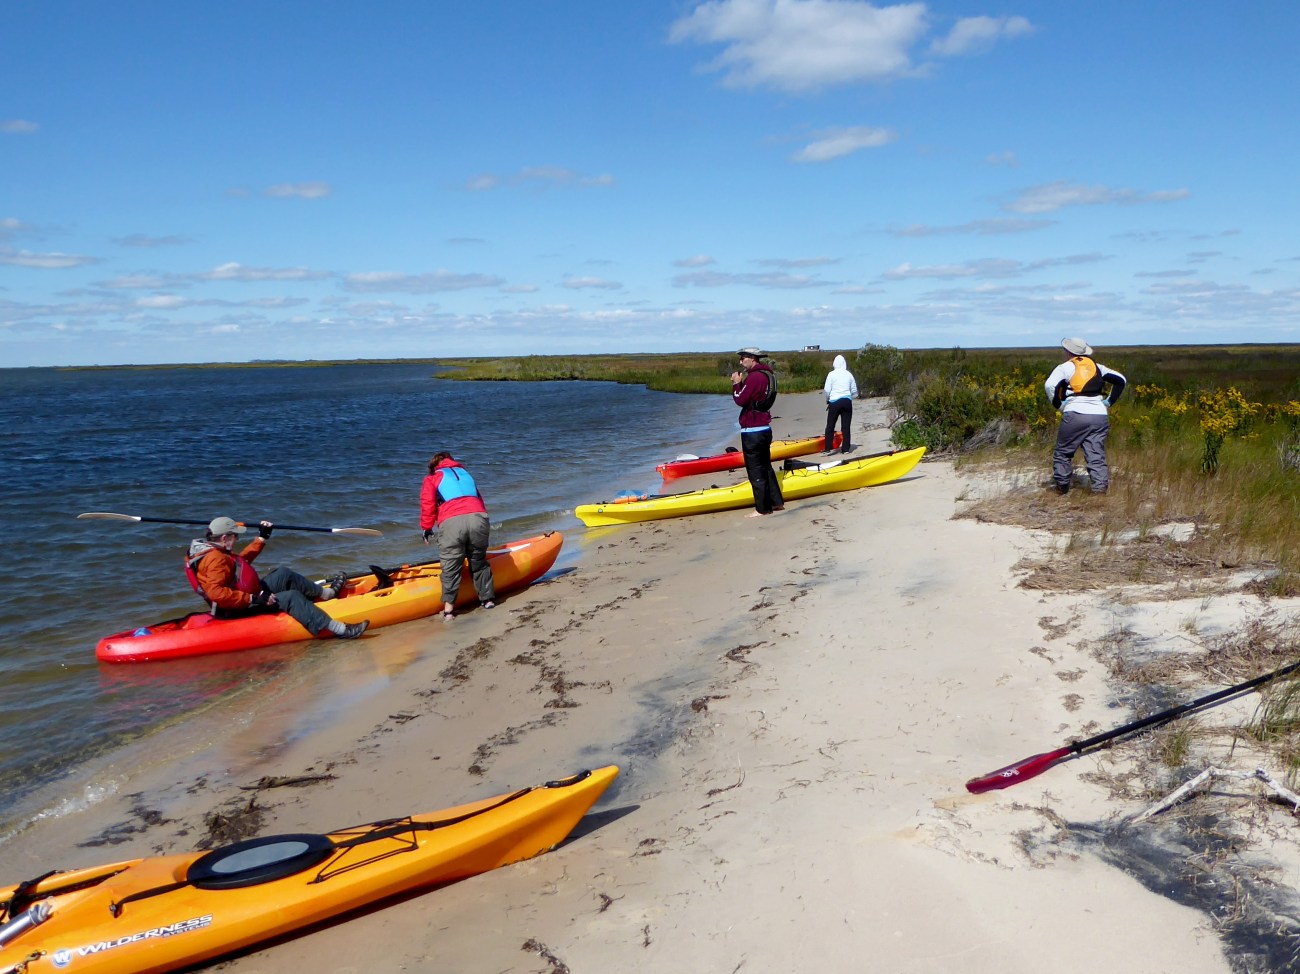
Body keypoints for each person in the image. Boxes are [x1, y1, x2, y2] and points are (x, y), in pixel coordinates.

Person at [185, 516, 370, 638]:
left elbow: (238, 565)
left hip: (245, 595)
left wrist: (261, 539)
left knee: (283, 574)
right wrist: (254, 598)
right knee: (291, 597)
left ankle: (327, 594)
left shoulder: (213, 549)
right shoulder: (215, 560)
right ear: (224, 538)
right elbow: (216, 593)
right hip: (237, 608)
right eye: (235, 537)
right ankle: (341, 630)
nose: (237, 540)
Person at [1043, 337, 1127, 494]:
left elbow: (1049, 385)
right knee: (1096, 453)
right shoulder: (1098, 367)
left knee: (1063, 452)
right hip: (1099, 415)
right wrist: (1108, 402)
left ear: (1068, 351)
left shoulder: (1065, 367)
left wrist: (1059, 405)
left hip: (1075, 413)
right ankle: (1099, 489)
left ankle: (1062, 487)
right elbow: (1121, 380)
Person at [420, 452, 496, 619]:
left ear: (434, 466)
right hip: (478, 517)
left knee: (451, 566)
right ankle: (487, 600)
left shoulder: (432, 478)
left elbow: (428, 505)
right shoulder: (465, 474)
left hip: (452, 522)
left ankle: (448, 610)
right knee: (479, 561)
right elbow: (479, 499)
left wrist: (426, 528)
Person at [729, 347, 784, 517]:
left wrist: (736, 383)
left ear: (752, 358)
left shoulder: (754, 377)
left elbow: (740, 399)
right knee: (766, 466)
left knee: (755, 470)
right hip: (764, 428)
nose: (741, 362)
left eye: (743, 358)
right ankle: (776, 502)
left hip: (753, 430)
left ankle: (762, 508)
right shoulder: (767, 374)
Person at [822, 353, 858, 454]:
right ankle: (845, 449)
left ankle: (828, 449)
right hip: (847, 401)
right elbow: (854, 390)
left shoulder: (831, 374)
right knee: (846, 426)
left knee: (830, 425)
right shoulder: (849, 374)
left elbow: (827, 390)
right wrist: (850, 397)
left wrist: (828, 400)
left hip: (834, 402)